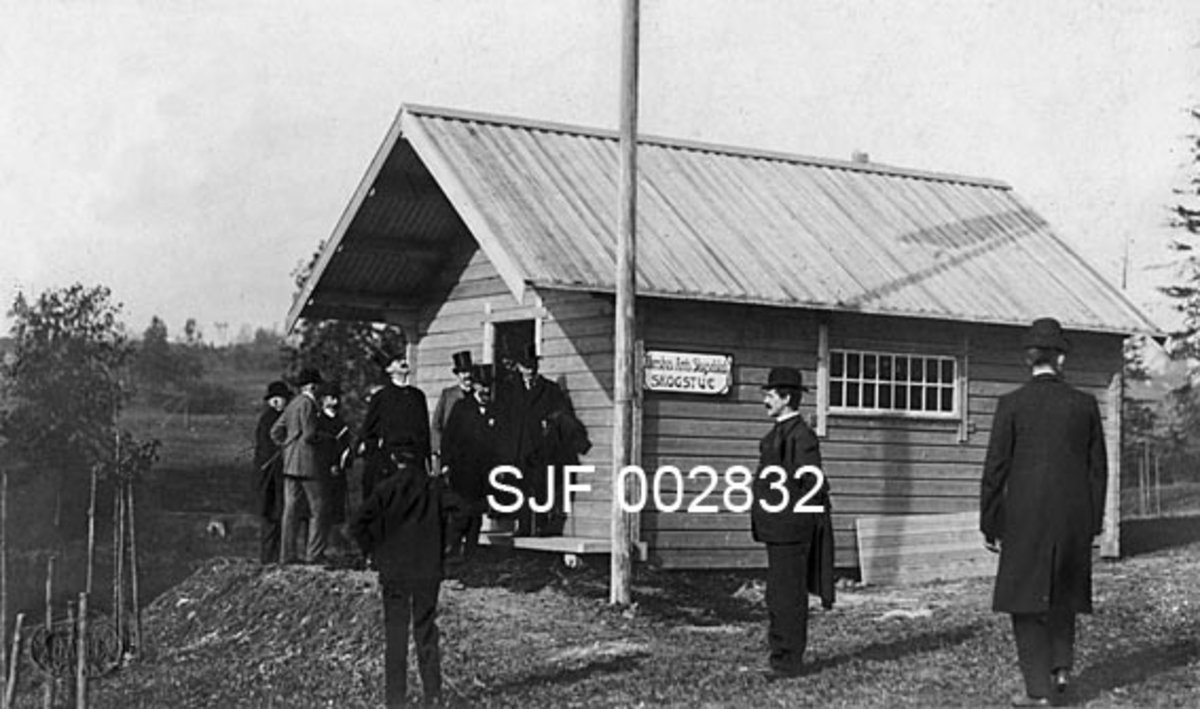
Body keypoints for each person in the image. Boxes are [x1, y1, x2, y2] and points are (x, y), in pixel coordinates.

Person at [980, 318, 1107, 707]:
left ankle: (1039, 691)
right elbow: (1098, 470)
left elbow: (995, 469)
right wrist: (1092, 522)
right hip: (1073, 519)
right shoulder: (1085, 406)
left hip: (1024, 520)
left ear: (1027, 358)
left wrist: (990, 521)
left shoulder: (1011, 405)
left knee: (1024, 601)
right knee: (1063, 593)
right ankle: (1061, 668)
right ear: (1061, 358)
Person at [750, 366, 834, 681]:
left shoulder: (802, 437)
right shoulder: (775, 436)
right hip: (776, 529)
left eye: (770, 395)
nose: (765, 401)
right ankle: (779, 657)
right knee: (777, 595)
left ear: (786, 398)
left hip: (791, 530)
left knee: (788, 596)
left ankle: (789, 663)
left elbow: (810, 483)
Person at [350, 446, 445, 708]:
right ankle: (433, 697)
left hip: (394, 571)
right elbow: (463, 512)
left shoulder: (384, 489)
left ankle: (395, 700)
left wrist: (374, 547)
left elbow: (357, 524)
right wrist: (446, 544)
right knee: (426, 631)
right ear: (421, 459)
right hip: (427, 569)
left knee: (396, 636)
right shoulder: (434, 487)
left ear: (394, 458)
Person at [495, 343, 576, 536]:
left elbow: (562, 416)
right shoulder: (508, 390)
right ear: (519, 367)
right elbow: (502, 421)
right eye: (525, 365)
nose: (529, 369)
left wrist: (550, 424)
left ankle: (540, 525)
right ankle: (523, 526)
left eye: (532, 364)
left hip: (542, 449)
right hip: (518, 448)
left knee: (541, 487)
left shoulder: (550, 389)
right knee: (519, 487)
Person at [270, 367, 331, 565]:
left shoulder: (293, 403)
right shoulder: (309, 404)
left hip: (290, 464)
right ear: (313, 386)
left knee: (290, 511)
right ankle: (314, 555)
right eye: (319, 386)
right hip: (309, 464)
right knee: (318, 508)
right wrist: (327, 440)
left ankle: (286, 556)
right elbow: (310, 434)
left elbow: (275, 432)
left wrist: (288, 446)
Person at [441, 363, 499, 562]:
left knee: (476, 516)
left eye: (488, 386)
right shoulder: (462, 408)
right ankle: (451, 553)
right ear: (474, 386)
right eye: (482, 386)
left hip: (483, 474)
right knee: (461, 514)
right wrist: (447, 463)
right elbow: (448, 437)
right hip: (462, 470)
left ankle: (471, 558)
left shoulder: (493, 410)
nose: (486, 390)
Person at [359, 350, 431, 502]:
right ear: (389, 370)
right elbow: (368, 431)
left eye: (403, 359)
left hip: (415, 461)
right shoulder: (381, 397)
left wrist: (427, 461)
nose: (403, 361)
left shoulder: (418, 396)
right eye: (397, 360)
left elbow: (425, 431)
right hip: (390, 462)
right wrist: (378, 457)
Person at [253, 380, 290, 565]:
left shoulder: (282, 418)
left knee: (279, 515)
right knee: (270, 516)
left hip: (277, 474)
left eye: (280, 399)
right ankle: (268, 559)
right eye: (273, 399)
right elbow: (266, 450)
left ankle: (276, 558)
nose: (277, 402)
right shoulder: (268, 419)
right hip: (269, 474)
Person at [314, 380, 353, 543]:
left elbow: (346, 445)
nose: (335, 402)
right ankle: (321, 544)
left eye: (337, 398)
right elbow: (319, 447)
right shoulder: (318, 421)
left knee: (338, 507)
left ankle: (335, 544)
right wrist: (329, 464)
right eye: (331, 398)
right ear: (323, 400)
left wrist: (344, 462)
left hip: (339, 471)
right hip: (323, 471)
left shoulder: (341, 422)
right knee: (323, 508)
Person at [431, 350, 475, 475]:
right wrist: (439, 448)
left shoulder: (477, 395)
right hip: (451, 453)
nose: (466, 376)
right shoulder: (448, 395)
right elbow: (436, 425)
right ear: (458, 375)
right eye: (462, 372)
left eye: (468, 371)